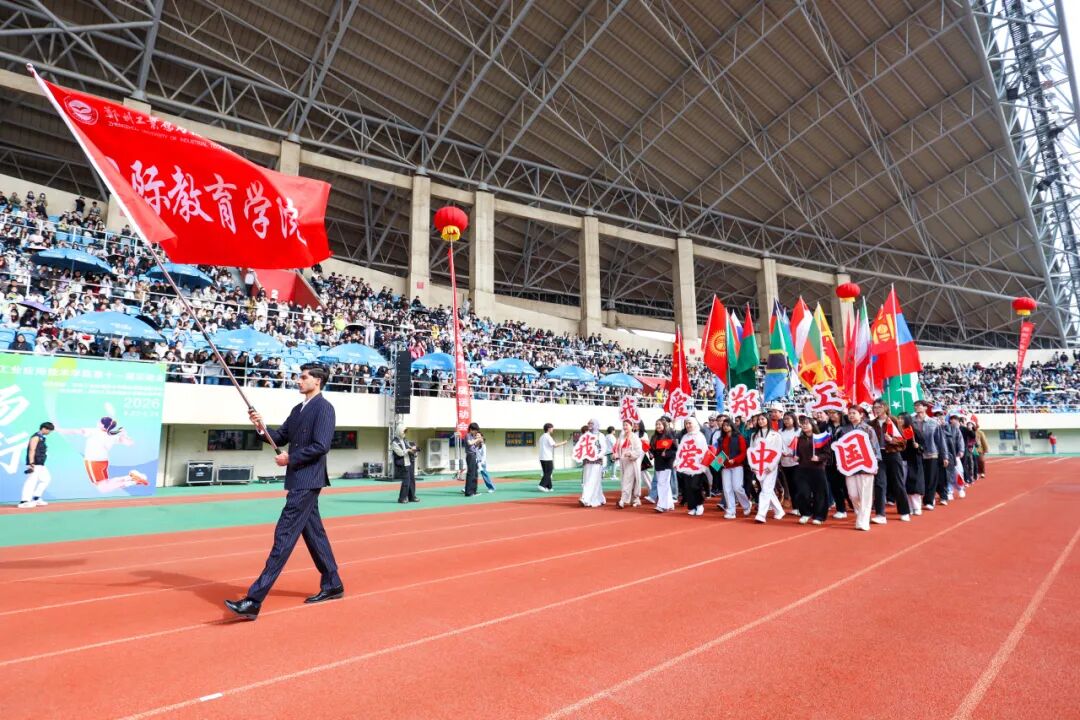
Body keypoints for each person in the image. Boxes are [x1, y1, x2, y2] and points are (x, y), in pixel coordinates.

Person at [226, 364, 343, 621]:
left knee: (284, 536)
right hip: (299, 480)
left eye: (304, 377)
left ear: (318, 381)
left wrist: (290, 458)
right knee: (315, 535)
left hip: (307, 480)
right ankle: (333, 584)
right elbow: (278, 437)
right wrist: (260, 426)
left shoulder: (324, 408)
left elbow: (321, 445)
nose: (299, 381)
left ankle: (254, 600)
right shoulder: (298, 409)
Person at [58, 417, 149, 491]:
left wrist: (58, 429)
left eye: (99, 421)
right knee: (106, 483)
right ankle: (131, 478)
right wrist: (124, 434)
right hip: (103, 462)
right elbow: (130, 443)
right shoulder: (112, 435)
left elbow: (74, 431)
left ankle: (133, 480)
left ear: (102, 424)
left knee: (102, 487)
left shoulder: (93, 431)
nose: (97, 422)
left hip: (93, 462)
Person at [839, 405, 880, 532]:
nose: (851, 415)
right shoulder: (844, 430)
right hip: (850, 466)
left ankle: (863, 521)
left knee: (865, 494)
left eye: (854, 413)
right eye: (849, 413)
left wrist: (875, 463)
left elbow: (875, 447)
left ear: (861, 415)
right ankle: (861, 514)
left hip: (866, 466)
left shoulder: (868, 429)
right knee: (853, 495)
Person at [870, 401, 911, 524]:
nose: (877, 409)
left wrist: (892, 440)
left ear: (885, 408)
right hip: (878, 456)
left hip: (893, 454)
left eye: (879, 407)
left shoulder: (893, 420)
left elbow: (903, 441)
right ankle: (880, 514)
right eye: (875, 407)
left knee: (898, 483)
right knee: (879, 484)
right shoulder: (872, 423)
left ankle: (904, 511)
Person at [748, 412, 785, 524]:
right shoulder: (754, 435)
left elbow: (778, 451)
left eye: (762, 419)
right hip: (759, 466)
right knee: (767, 489)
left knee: (765, 490)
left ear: (768, 420)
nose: (760, 421)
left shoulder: (776, 435)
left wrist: (772, 466)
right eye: (759, 419)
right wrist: (752, 465)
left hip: (770, 465)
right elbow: (752, 451)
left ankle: (761, 514)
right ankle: (779, 511)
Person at [793, 416, 828, 525]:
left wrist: (819, 458)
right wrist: (796, 457)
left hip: (817, 469)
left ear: (813, 425)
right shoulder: (799, 439)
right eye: (802, 424)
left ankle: (819, 516)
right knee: (802, 492)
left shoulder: (820, 438)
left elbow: (827, 454)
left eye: (806, 423)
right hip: (802, 469)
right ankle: (806, 513)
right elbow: (797, 453)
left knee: (819, 493)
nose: (804, 426)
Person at [715, 417, 751, 519]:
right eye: (724, 426)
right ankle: (731, 510)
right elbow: (719, 453)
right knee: (727, 489)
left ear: (732, 426)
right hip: (725, 467)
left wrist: (735, 460)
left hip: (737, 466)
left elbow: (743, 452)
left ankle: (746, 505)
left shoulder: (739, 437)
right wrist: (717, 463)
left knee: (737, 487)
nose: (725, 427)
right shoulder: (721, 439)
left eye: (727, 425)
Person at [18, 421, 54, 509]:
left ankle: (36, 497)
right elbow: (32, 450)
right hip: (35, 463)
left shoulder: (42, 438)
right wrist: (31, 463)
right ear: (44, 428)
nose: (49, 432)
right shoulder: (35, 437)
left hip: (40, 463)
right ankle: (24, 501)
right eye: (49, 430)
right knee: (31, 481)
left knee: (46, 479)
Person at [678, 416, 709, 516]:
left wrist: (703, 466)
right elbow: (681, 451)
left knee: (695, 486)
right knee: (687, 487)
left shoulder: (700, 436)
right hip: (687, 465)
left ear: (695, 424)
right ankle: (692, 507)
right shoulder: (685, 437)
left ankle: (699, 504)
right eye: (686, 424)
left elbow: (705, 451)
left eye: (689, 423)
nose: (688, 425)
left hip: (698, 466)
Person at [899, 413, 925, 515]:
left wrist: (918, 446)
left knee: (914, 485)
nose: (900, 420)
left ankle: (916, 507)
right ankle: (907, 507)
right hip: (902, 460)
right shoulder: (897, 431)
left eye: (902, 418)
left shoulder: (915, 431)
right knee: (903, 485)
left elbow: (923, 446)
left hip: (913, 461)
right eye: (899, 418)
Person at [649, 417, 677, 512]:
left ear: (664, 425)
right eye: (656, 424)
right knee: (664, 484)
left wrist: (667, 454)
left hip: (667, 463)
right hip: (658, 463)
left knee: (662, 483)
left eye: (660, 424)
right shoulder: (654, 437)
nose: (658, 426)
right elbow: (651, 449)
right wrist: (651, 454)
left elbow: (675, 450)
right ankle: (670, 504)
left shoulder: (669, 435)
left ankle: (662, 505)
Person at [616, 419, 643, 508]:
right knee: (630, 480)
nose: (625, 427)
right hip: (623, 462)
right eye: (623, 425)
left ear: (631, 426)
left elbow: (638, 451)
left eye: (626, 425)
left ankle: (623, 500)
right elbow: (617, 449)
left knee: (626, 480)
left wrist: (631, 454)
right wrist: (616, 455)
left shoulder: (635, 437)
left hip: (632, 462)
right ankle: (635, 499)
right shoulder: (621, 437)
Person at [579, 419, 606, 508]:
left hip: (597, 461)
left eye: (591, 423)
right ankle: (600, 498)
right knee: (588, 479)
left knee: (593, 479)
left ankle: (586, 499)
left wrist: (598, 456)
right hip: (587, 461)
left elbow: (603, 449)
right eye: (589, 423)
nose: (589, 425)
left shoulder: (600, 435)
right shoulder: (586, 435)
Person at [392, 426, 419, 504]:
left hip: (409, 463)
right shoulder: (394, 442)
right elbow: (400, 453)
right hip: (402, 464)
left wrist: (414, 450)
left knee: (412, 480)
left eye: (405, 432)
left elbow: (409, 448)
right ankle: (402, 498)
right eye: (403, 431)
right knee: (406, 481)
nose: (404, 433)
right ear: (399, 431)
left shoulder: (405, 440)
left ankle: (412, 497)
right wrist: (408, 450)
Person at [537, 423, 565, 493]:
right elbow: (554, 445)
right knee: (549, 472)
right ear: (549, 429)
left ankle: (549, 487)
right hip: (547, 457)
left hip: (542, 457)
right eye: (552, 428)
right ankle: (541, 485)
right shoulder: (548, 437)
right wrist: (563, 443)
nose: (553, 429)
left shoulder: (542, 436)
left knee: (546, 472)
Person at [463, 423, 481, 496]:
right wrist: (477, 439)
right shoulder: (468, 435)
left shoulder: (473, 436)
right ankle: (468, 492)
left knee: (475, 474)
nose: (476, 432)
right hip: (470, 455)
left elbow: (475, 446)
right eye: (475, 430)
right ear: (471, 429)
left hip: (474, 455)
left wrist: (479, 441)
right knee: (470, 474)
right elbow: (470, 443)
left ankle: (473, 491)